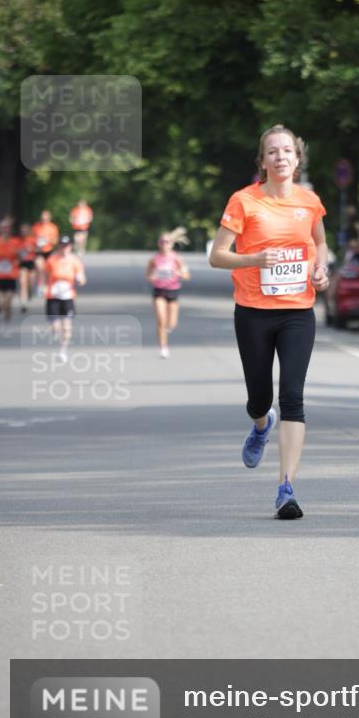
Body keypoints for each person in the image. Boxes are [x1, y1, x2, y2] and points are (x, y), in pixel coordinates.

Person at [209, 124, 329, 520]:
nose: (281, 157)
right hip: (253, 312)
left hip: (298, 312)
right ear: (262, 162)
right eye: (272, 152)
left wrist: (321, 268)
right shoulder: (244, 201)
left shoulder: (310, 202)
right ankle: (261, 425)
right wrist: (253, 260)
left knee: (293, 395)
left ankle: (286, 488)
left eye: (287, 151)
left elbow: (320, 242)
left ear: (298, 158)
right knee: (260, 399)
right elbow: (217, 255)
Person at [146, 228, 190, 358]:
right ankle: (163, 347)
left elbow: (187, 276)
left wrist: (179, 273)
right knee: (161, 320)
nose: (164, 244)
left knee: (171, 323)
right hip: (159, 291)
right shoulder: (154, 260)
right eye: (162, 242)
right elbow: (148, 275)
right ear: (158, 243)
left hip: (173, 291)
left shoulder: (177, 259)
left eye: (167, 242)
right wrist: (153, 277)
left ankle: (168, 329)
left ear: (171, 244)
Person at [43, 235, 86, 361]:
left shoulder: (75, 261)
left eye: (66, 246)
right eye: (62, 246)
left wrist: (79, 280)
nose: (64, 248)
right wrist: (44, 286)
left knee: (67, 326)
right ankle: (57, 334)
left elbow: (82, 278)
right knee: (56, 327)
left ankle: (63, 351)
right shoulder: (52, 260)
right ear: (59, 246)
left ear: (70, 247)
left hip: (67, 297)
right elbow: (45, 275)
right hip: (53, 296)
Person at [0, 217, 21, 332]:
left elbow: (22, 256)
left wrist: (19, 254)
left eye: (7, 228)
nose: (5, 230)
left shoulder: (15, 242)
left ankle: (6, 323)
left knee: (7, 303)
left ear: (10, 230)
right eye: (3, 228)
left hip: (10, 276)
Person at [32, 210, 60, 294]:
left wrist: (48, 240)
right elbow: (31, 239)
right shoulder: (36, 227)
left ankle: (47, 285)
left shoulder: (53, 227)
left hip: (49, 250)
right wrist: (36, 243)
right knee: (40, 267)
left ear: (49, 218)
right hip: (39, 251)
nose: (44, 219)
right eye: (43, 218)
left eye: (46, 218)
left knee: (47, 270)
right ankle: (40, 285)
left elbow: (56, 240)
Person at [17, 223, 38, 312]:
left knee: (31, 282)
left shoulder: (33, 239)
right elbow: (14, 251)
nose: (23, 232)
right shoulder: (17, 241)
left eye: (25, 231)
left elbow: (39, 250)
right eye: (22, 231)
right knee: (23, 283)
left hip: (31, 262)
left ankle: (29, 292)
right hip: (22, 263)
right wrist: (19, 252)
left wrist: (31, 249)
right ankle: (23, 303)